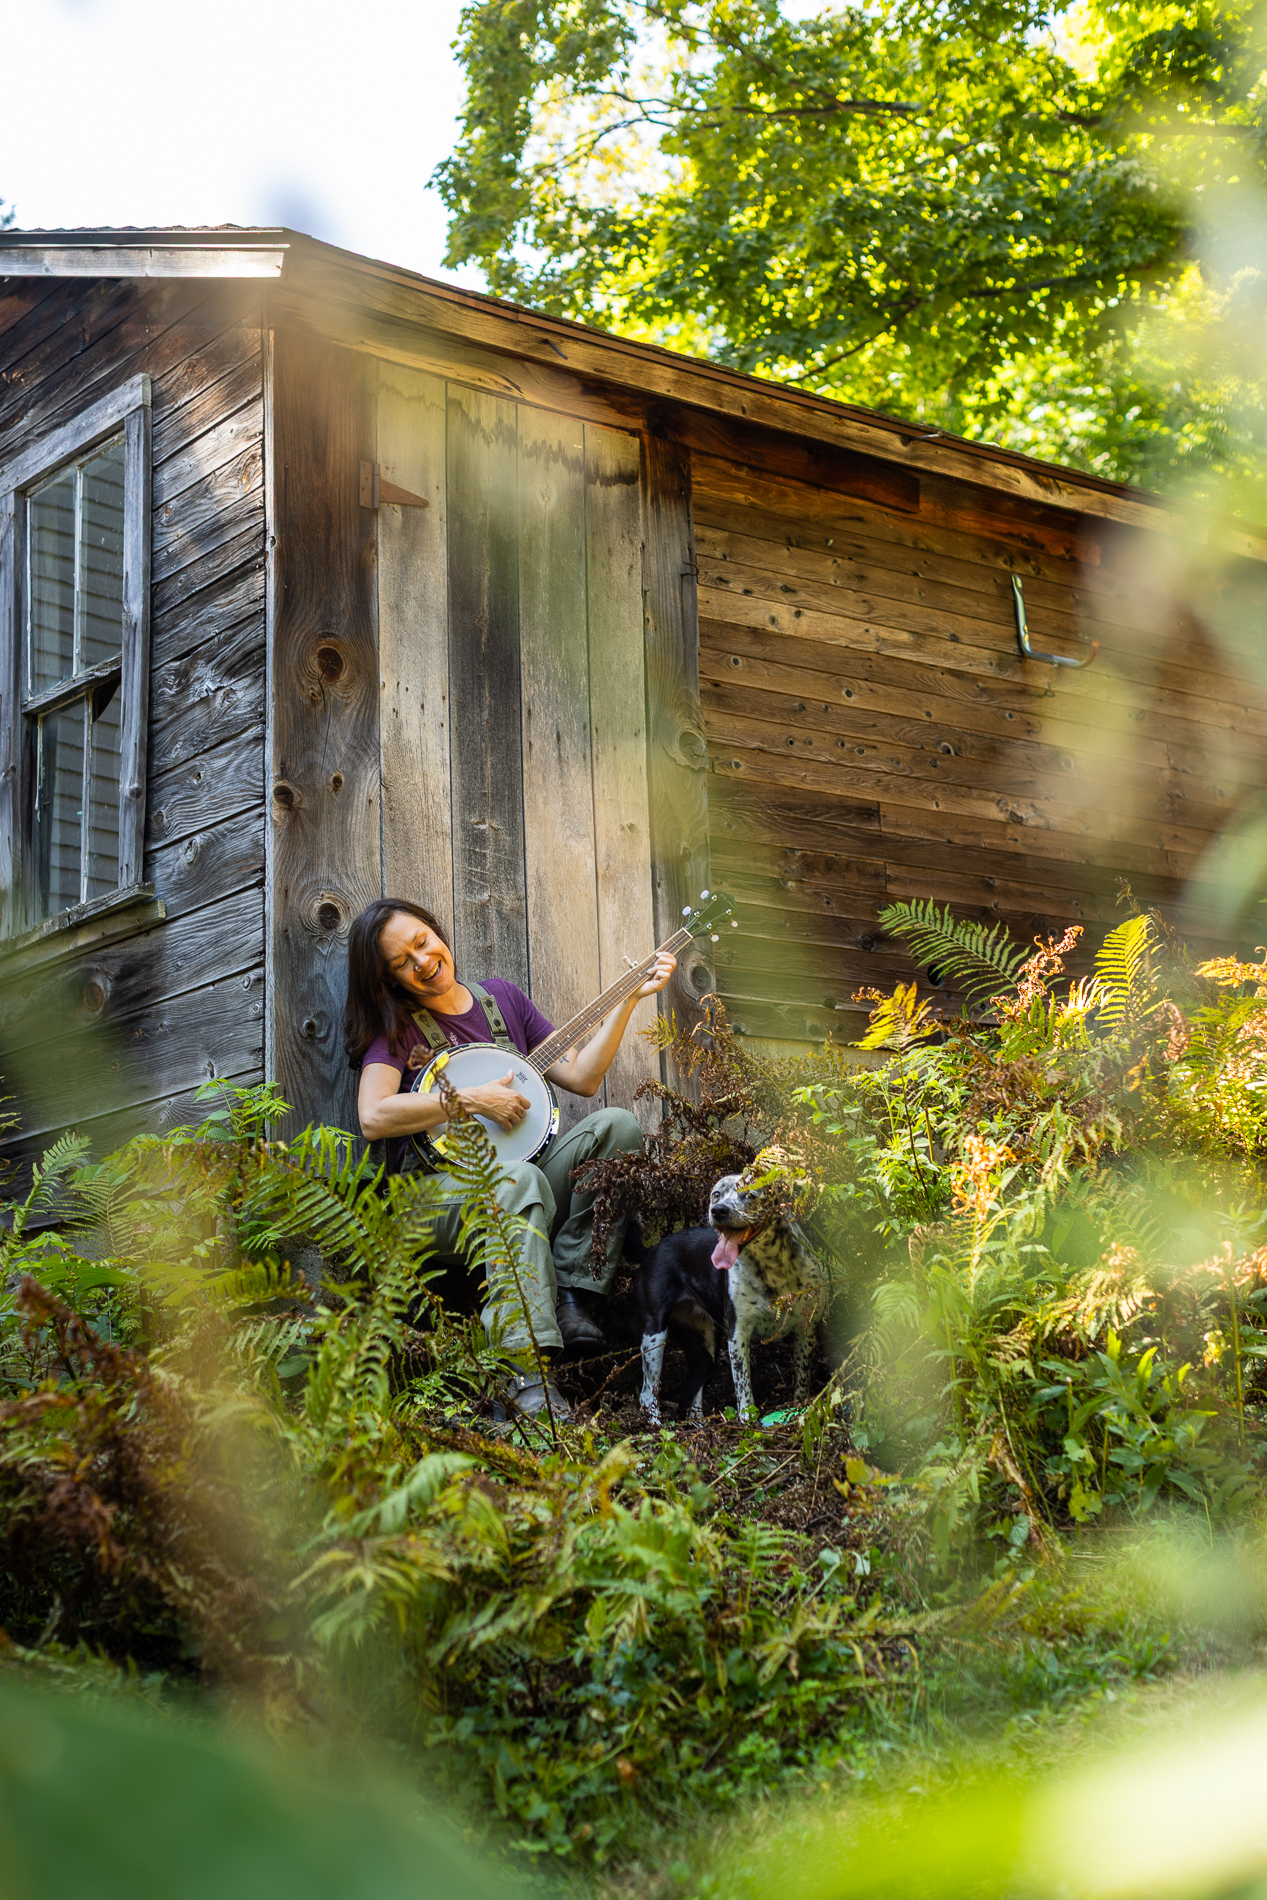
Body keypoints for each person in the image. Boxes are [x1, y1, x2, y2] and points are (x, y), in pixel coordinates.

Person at [345, 898, 676, 1419]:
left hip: (519, 1182)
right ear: (389, 980)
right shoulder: (398, 1028)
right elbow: (373, 1116)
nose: (423, 962)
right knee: (518, 1179)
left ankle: (571, 1294)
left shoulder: (502, 1000)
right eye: (401, 963)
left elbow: (584, 1078)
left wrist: (628, 999)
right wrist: (471, 1100)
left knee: (618, 1127)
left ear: (435, 931)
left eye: (422, 942)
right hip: (434, 1201)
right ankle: (525, 1378)